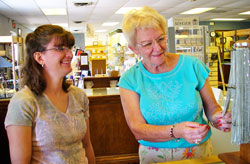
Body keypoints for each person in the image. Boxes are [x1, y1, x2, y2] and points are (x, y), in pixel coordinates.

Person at [118, 6, 232, 164]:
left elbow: (212, 109)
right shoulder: (130, 79)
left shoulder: (192, 66)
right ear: (133, 49)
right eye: (147, 44)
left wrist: (219, 118)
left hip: (198, 153)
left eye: (160, 39)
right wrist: (176, 131)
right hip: (154, 156)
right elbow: (138, 130)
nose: (157, 48)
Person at [5, 24, 95, 164]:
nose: (70, 54)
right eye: (60, 48)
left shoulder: (78, 96)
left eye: (69, 48)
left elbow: (87, 146)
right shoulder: (24, 102)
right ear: (40, 57)